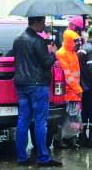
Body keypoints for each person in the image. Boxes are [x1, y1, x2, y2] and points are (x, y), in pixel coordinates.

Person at [11, 16, 62, 167]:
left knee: (23, 120)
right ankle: (43, 157)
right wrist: (52, 52)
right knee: (40, 121)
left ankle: (21, 157)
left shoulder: (18, 39)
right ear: (36, 22)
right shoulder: (37, 41)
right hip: (38, 85)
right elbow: (46, 63)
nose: (44, 25)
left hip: (21, 84)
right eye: (42, 22)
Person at [56, 30, 83, 149]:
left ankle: (72, 139)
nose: (77, 44)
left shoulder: (73, 53)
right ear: (69, 41)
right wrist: (78, 89)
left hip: (74, 93)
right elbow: (67, 75)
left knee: (74, 119)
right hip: (68, 93)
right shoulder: (62, 53)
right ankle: (60, 140)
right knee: (64, 119)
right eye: (75, 41)